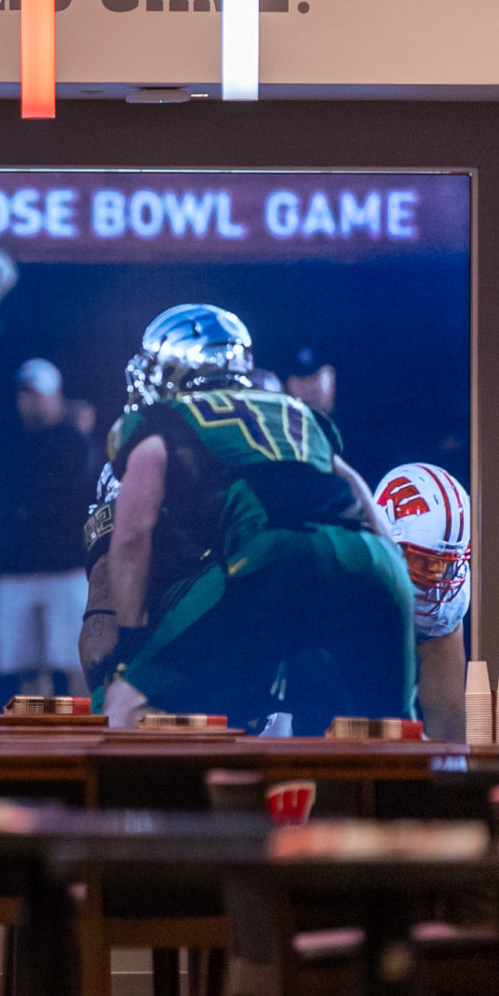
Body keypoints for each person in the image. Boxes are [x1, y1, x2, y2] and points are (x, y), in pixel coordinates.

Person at [91, 303, 415, 735]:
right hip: (375, 559)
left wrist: (131, 647)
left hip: (275, 555)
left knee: (129, 701)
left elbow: (132, 535)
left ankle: (128, 805)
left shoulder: (164, 423)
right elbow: (361, 496)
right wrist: (392, 582)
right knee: (390, 732)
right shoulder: (295, 414)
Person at [0, 360, 97, 698]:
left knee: (74, 664)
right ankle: (34, 746)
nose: (30, 402)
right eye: (24, 394)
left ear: (56, 397)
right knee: (28, 670)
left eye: (37, 394)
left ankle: (81, 741)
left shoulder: (77, 444)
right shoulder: (7, 446)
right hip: (16, 572)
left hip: (64, 571)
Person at [374, 462, 474, 744]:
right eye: (425, 560)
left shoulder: (449, 601)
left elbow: (448, 719)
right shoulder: (344, 574)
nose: (438, 576)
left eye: (446, 563)